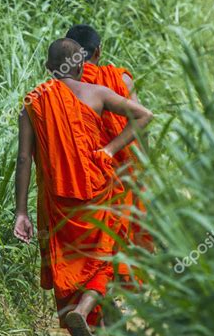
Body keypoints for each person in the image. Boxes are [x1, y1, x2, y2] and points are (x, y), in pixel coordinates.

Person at [13, 38, 153, 336]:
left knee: (67, 265)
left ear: (49, 68)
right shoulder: (98, 93)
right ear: (81, 65)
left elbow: (23, 159)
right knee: (103, 258)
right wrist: (109, 150)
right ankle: (85, 310)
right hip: (98, 193)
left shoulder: (33, 103)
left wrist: (20, 211)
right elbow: (144, 115)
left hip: (56, 201)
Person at [66, 24, 154, 287]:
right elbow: (140, 124)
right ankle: (123, 288)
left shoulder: (63, 89)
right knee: (124, 227)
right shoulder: (121, 80)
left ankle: (91, 293)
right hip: (123, 169)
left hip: (85, 173)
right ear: (98, 51)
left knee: (94, 238)